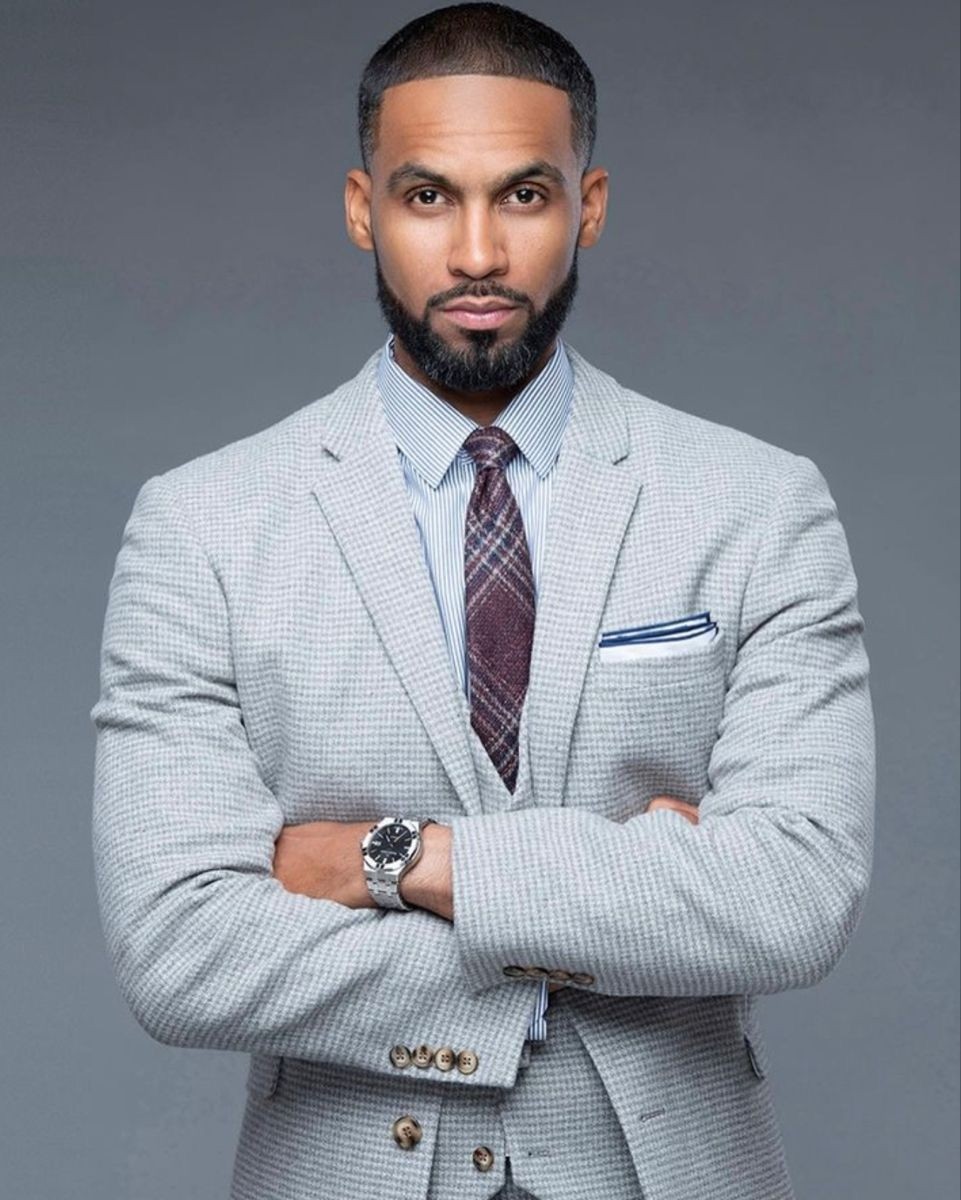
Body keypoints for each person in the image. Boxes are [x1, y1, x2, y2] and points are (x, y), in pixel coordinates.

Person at [90, 5, 875, 1199]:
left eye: (522, 195)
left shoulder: (755, 506)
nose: (474, 255)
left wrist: (392, 862)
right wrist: (625, 898)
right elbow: (178, 949)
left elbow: (793, 898)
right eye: (425, 198)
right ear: (362, 207)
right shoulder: (203, 525)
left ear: (588, 205)